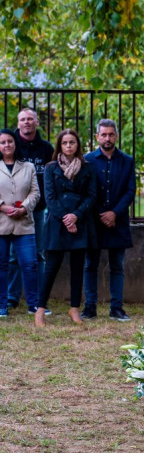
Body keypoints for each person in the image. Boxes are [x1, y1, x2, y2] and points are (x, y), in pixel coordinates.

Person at [35, 129, 97, 327]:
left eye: (72, 142)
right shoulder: (51, 168)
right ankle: (40, 310)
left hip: (80, 222)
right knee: (51, 267)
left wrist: (76, 216)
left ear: (77, 145)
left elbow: (91, 196)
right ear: (59, 146)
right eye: (65, 143)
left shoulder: (87, 168)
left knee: (78, 268)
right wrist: (66, 219)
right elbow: (50, 198)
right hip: (57, 223)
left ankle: (74, 308)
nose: (68, 146)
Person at [82, 119, 136, 321]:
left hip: (118, 220)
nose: (107, 138)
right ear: (97, 137)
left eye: (111, 134)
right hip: (93, 221)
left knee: (117, 266)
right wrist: (101, 213)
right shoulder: (87, 160)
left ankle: (116, 308)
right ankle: (90, 307)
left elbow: (130, 191)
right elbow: (85, 190)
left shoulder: (127, 161)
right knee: (90, 265)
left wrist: (114, 213)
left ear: (116, 136)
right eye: (103, 135)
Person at [8, 107, 53, 311]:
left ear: (36, 122)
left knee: (39, 254)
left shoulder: (46, 149)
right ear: (18, 124)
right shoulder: (10, 146)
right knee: (13, 256)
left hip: (38, 209)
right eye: (23, 119)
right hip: (12, 211)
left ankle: (39, 301)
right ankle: (12, 297)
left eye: (30, 119)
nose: (26, 122)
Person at [0, 129, 40, 317]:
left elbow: (35, 192)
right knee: (2, 265)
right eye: (2, 142)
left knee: (30, 264)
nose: (7, 145)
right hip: (2, 222)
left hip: (24, 222)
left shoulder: (28, 166)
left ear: (15, 143)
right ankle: (2, 306)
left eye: (10, 141)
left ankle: (34, 305)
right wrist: (2, 207)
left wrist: (24, 208)